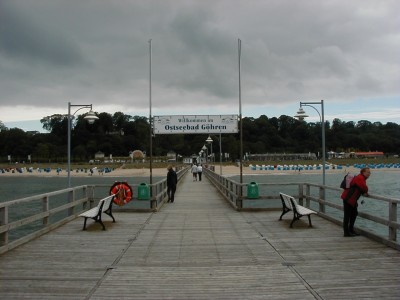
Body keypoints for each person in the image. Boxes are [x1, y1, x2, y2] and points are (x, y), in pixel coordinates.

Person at [341, 167, 370, 237]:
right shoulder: (360, 178)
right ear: (363, 172)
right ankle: (346, 232)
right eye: (368, 172)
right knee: (347, 216)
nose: (369, 174)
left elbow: (361, 187)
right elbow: (364, 187)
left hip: (352, 200)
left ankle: (351, 230)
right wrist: (365, 191)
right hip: (348, 199)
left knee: (354, 214)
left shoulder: (361, 178)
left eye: (369, 172)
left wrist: (364, 191)